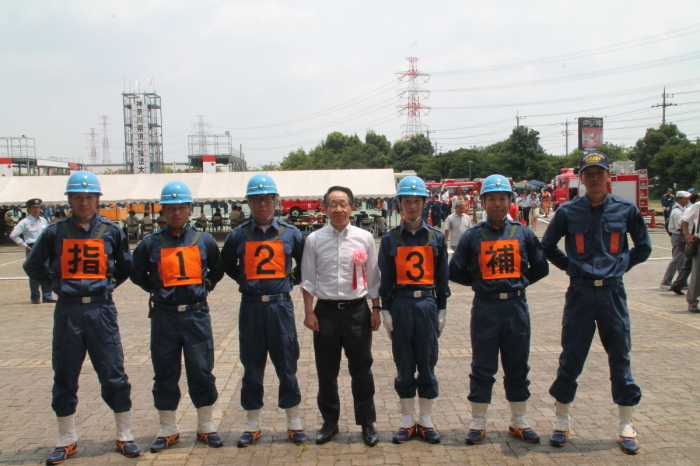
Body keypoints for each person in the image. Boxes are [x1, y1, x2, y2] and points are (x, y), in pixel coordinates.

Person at [23, 171, 141, 464]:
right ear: (70, 200)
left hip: (101, 311)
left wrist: (107, 286)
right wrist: (57, 282)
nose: (84, 202)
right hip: (68, 311)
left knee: (113, 372)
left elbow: (126, 267)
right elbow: (33, 265)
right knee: (64, 373)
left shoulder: (112, 232)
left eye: (89, 197)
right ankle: (66, 438)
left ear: (98, 199)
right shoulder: (55, 232)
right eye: (78, 197)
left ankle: (124, 434)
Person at [541, 151, 651, 455]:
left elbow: (644, 247)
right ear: (581, 177)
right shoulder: (568, 211)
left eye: (599, 173)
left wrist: (620, 266)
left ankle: (625, 426)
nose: (593, 178)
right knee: (571, 356)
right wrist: (571, 267)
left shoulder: (626, 210)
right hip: (580, 293)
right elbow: (547, 245)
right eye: (588, 173)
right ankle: (561, 423)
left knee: (620, 355)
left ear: (608, 176)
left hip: (612, 294)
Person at [449, 174, 549, 446]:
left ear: (510, 201)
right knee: (483, 365)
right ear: (482, 202)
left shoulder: (524, 233)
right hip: (485, 307)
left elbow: (541, 267)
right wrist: (483, 285)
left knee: (517, 364)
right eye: (491, 198)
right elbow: (455, 271)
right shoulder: (472, 237)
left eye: (502, 198)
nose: (496, 203)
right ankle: (478, 421)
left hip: (516, 306)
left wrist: (519, 283)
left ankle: (519, 420)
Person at [131, 181, 225, 453]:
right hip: (164, 317)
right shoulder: (150, 243)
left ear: (190, 210)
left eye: (181, 207)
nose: (176, 213)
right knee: (165, 372)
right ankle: (168, 428)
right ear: (163, 211)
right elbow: (136, 271)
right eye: (171, 208)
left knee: (201, 370)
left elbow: (217, 270)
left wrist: (205, 287)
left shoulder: (204, 240)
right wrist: (154, 288)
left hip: (196, 315)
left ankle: (205, 425)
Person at [220, 175, 307, 447]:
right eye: (256, 199)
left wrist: (287, 283)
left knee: (287, 364)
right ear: (248, 203)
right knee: (252, 365)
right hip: (252, 307)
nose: (262, 204)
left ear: (275, 202)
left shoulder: (291, 233)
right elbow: (227, 265)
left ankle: (294, 421)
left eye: (267, 199)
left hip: (281, 306)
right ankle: (252, 423)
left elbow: (304, 266)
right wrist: (248, 282)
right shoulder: (238, 235)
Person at [301, 185, 381, 447]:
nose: (338, 208)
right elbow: (308, 279)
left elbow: (372, 277)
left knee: (362, 370)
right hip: (325, 314)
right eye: (333, 204)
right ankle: (329, 423)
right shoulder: (314, 239)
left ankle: (367, 423)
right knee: (326, 371)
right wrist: (308, 312)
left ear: (352, 207)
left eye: (343, 203)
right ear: (325, 208)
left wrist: (376, 308)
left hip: (358, 311)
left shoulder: (364, 238)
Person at [378, 176, 450, 444]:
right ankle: (407, 420)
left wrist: (442, 309)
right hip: (401, 304)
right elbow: (385, 277)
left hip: (427, 305)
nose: (411, 206)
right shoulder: (390, 239)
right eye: (406, 201)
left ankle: (426, 419)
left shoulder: (436, 237)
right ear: (399, 204)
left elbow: (442, 278)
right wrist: (385, 309)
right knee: (404, 363)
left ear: (424, 203)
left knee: (428, 361)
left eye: (416, 201)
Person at [11, 198, 54, 304]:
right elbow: (13, 235)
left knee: (47, 271)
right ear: (29, 209)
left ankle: (47, 296)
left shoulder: (43, 220)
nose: (36, 210)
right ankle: (35, 297)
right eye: (34, 207)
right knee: (34, 272)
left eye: (38, 208)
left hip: (44, 247)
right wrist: (25, 246)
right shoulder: (25, 222)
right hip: (33, 247)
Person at [670, 193, 700, 294]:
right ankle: (681, 286)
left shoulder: (687, 209)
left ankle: (678, 284)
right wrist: (687, 234)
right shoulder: (691, 209)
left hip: (692, 238)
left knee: (688, 265)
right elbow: (681, 223)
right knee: (682, 262)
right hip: (693, 239)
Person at [660, 191, 690, 290]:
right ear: (679, 199)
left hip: (679, 236)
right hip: (678, 236)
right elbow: (680, 227)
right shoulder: (677, 212)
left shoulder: (682, 210)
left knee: (682, 260)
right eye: (685, 198)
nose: (687, 200)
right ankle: (666, 281)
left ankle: (682, 281)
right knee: (677, 260)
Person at [681, 193, 700, 312]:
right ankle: (692, 301)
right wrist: (687, 234)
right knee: (697, 273)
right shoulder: (698, 205)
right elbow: (685, 219)